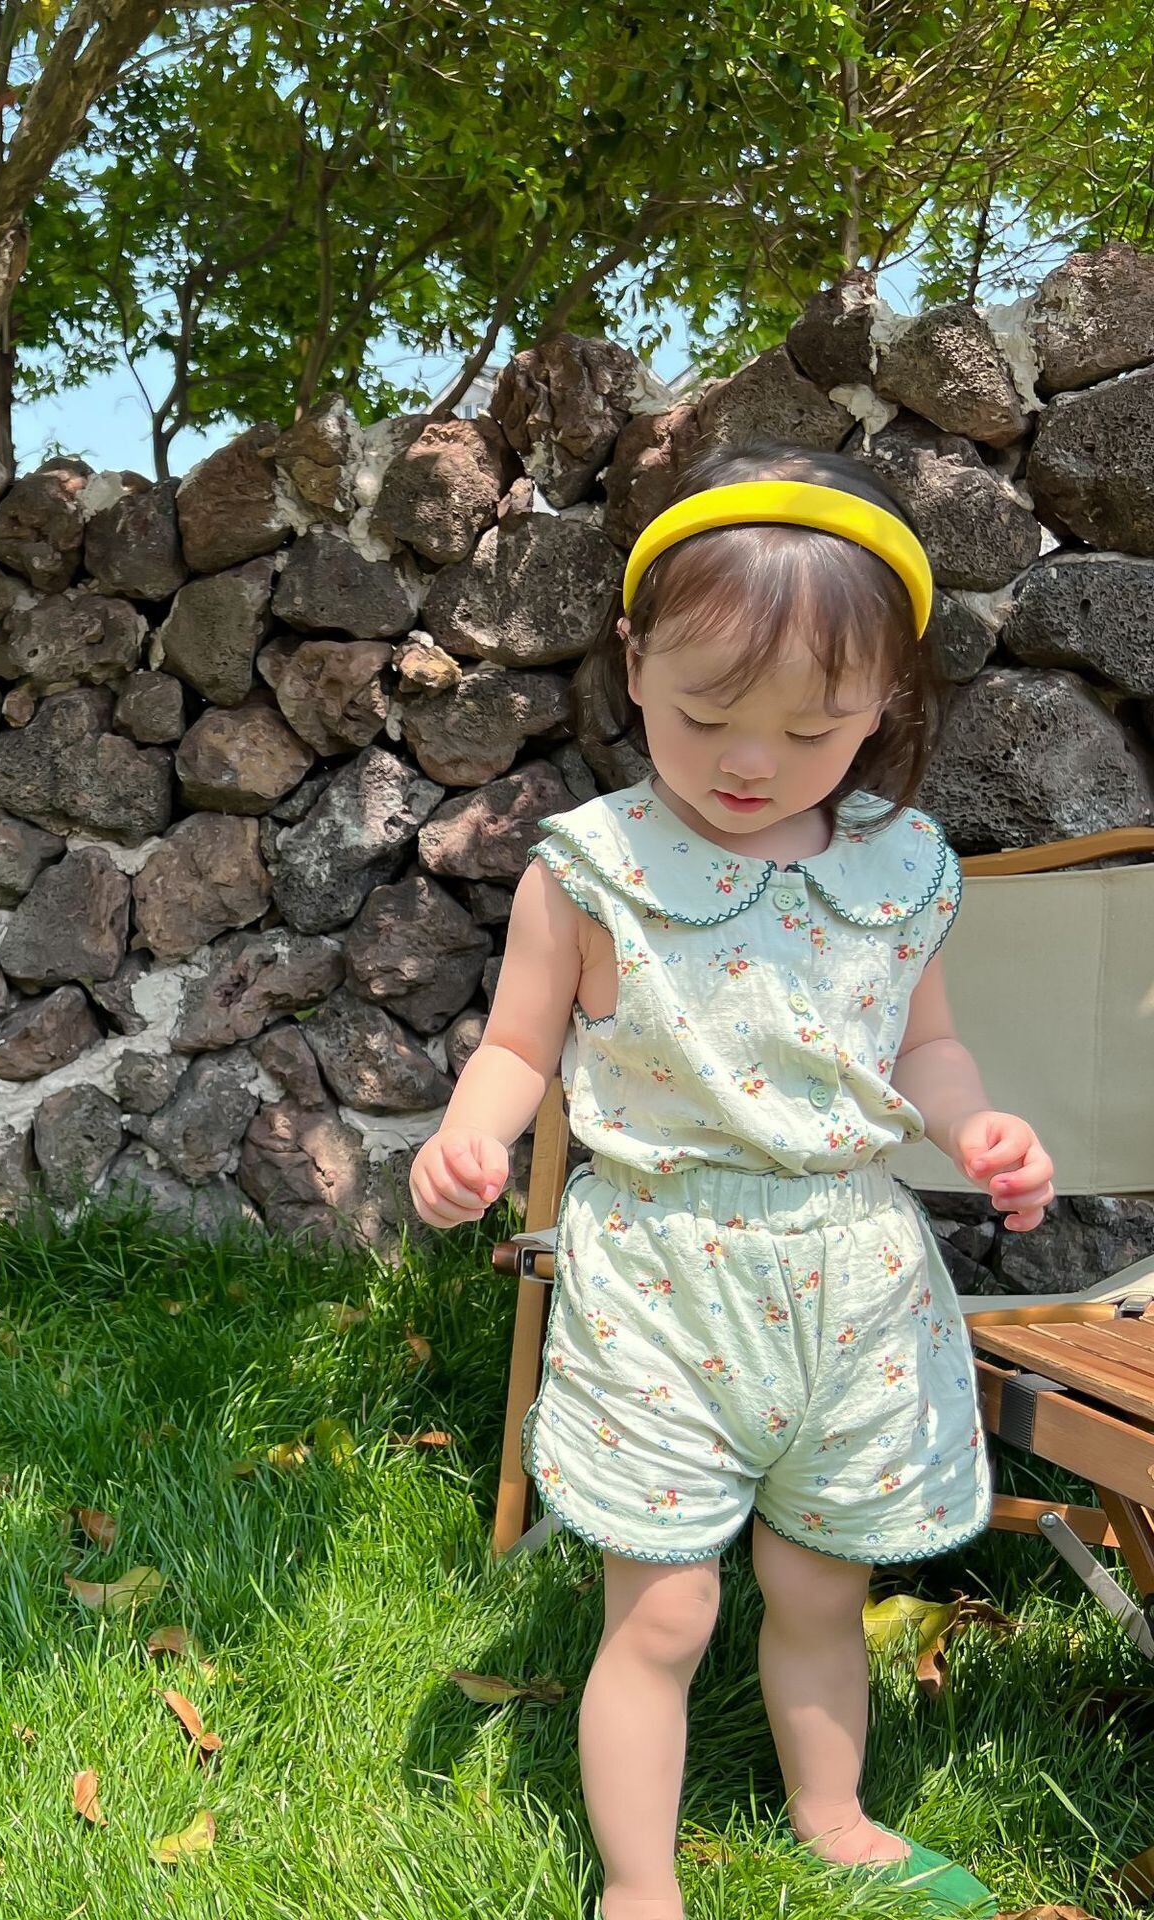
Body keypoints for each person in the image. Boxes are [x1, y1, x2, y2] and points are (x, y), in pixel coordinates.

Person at [410, 440, 1055, 1920]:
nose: (750, 763)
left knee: (824, 1584)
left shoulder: (900, 866)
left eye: (813, 729)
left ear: (883, 703)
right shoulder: (590, 869)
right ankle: (639, 1885)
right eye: (706, 716)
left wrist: (975, 1130)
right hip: (663, 1276)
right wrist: (470, 1136)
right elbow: (516, 1048)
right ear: (635, 664)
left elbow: (926, 1046)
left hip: (855, 1278)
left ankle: (834, 1815)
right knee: (665, 1610)